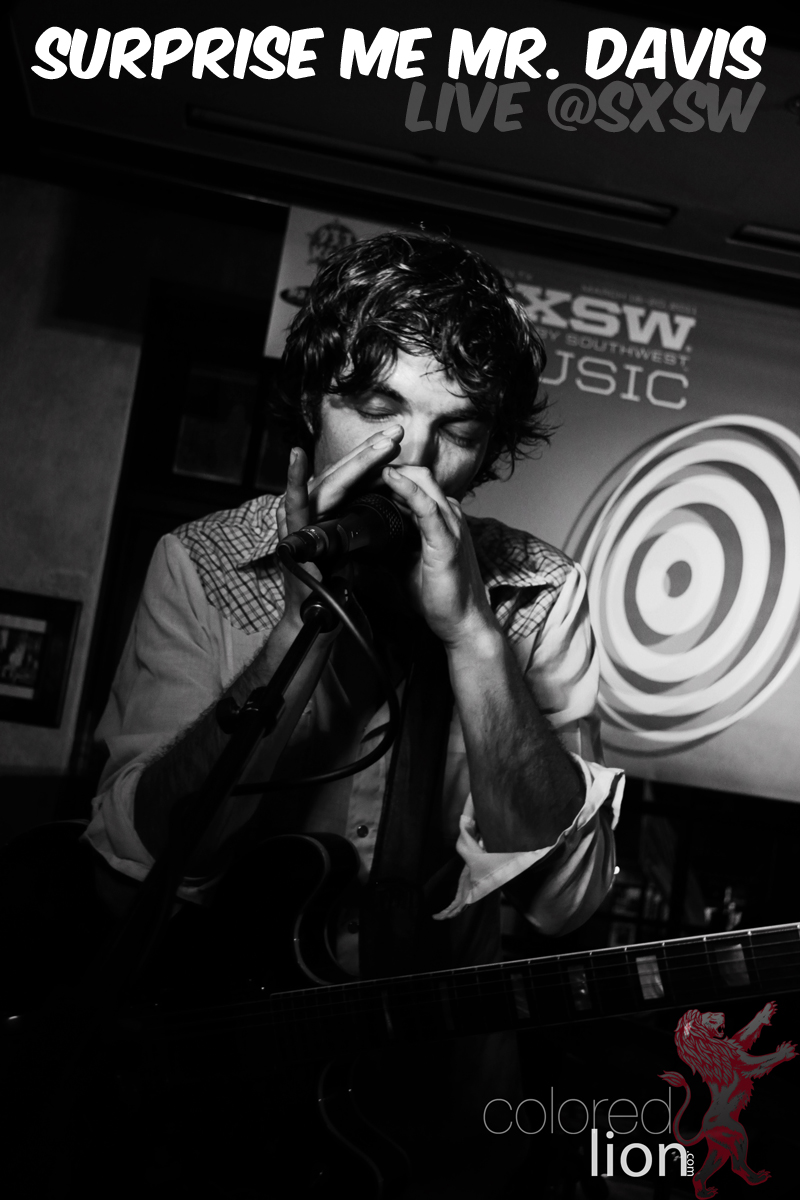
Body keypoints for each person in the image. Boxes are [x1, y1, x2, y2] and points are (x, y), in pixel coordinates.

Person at [84, 230, 623, 1196]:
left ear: (490, 452)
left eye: (458, 431)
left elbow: (564, 901)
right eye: (375, 411)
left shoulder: (541, 593)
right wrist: (307, 618)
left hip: (445, 1107)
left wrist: (473, 637)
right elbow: (142, 867)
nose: (409, 461)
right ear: (309, 403)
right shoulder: (203, 565)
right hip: (225, 1109)